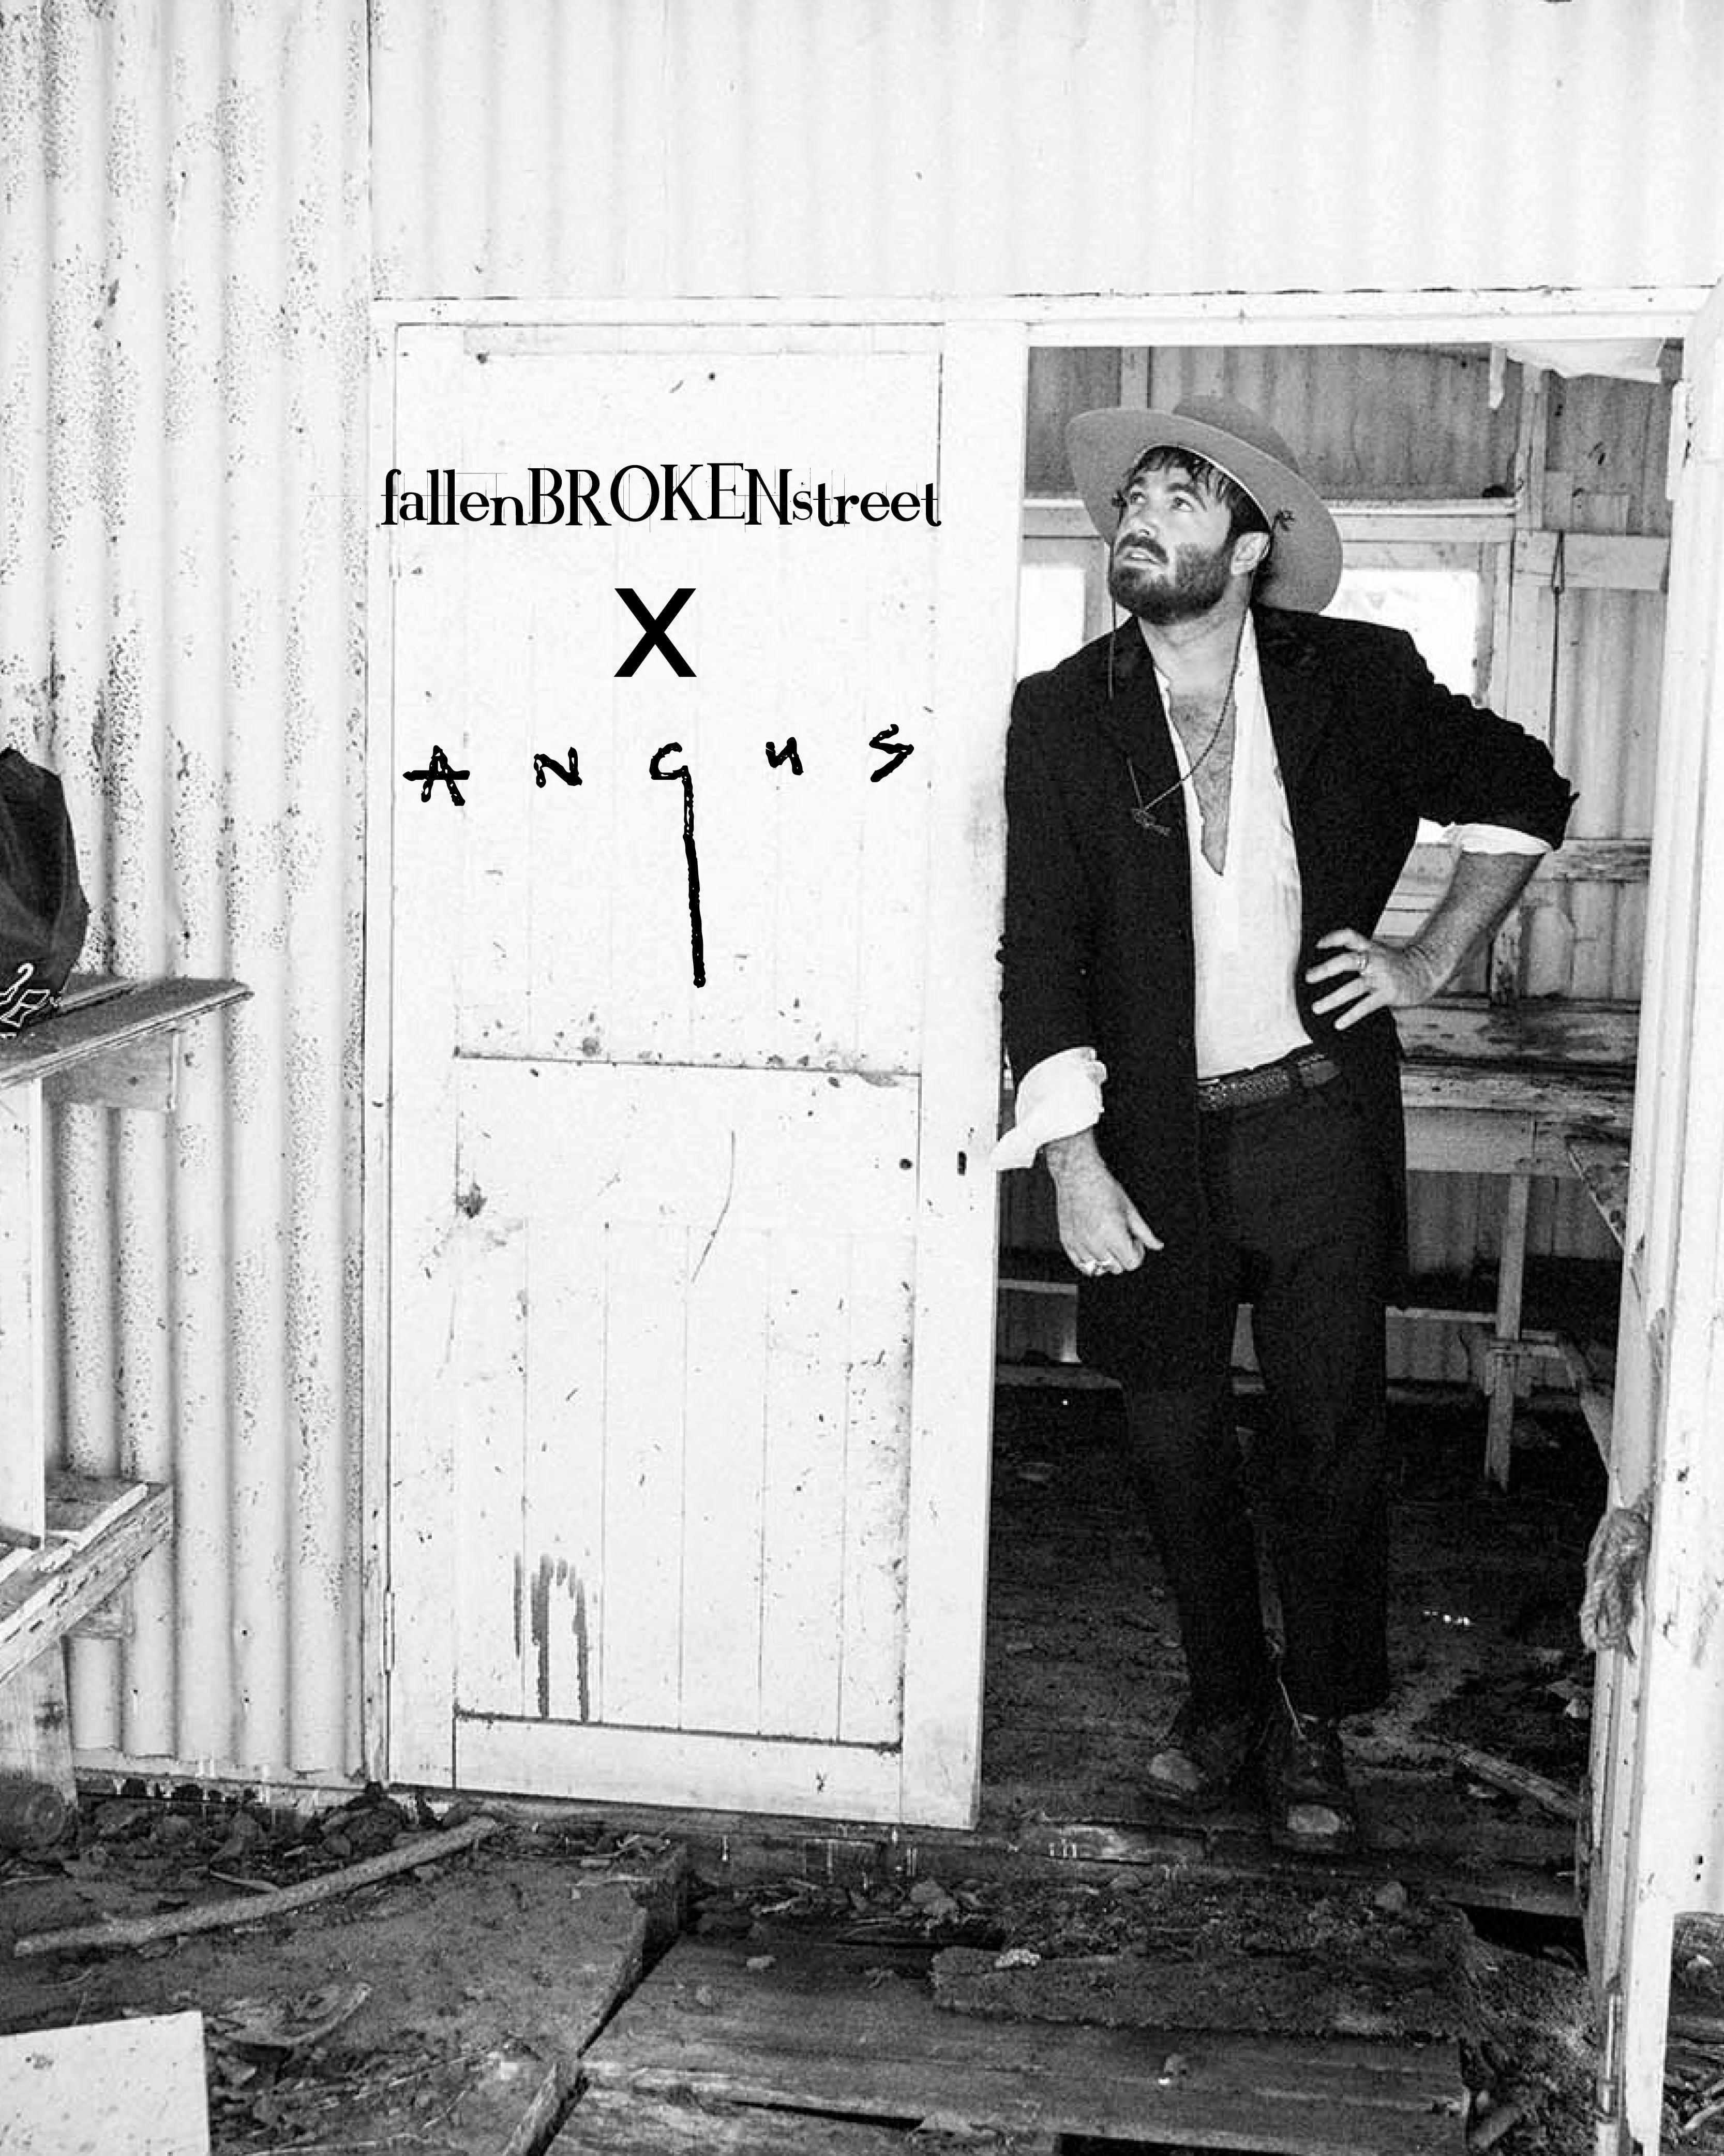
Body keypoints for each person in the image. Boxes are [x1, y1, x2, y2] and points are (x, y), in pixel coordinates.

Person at [995, 397, 1573, 1855]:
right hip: (1148, 1149)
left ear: (1249, 548)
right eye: (1134, 496)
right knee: (1173, 1437)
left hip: (1313, 1128)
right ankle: (1224, 1701)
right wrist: (1071, 1154)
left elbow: (1522, 792)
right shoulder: (1065, 710)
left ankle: (1319, 1719)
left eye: (1181, 498)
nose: (1143, 513)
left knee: (1329, 1437)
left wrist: (1427, 960)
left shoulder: (1357, 679)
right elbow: (1043, 939)